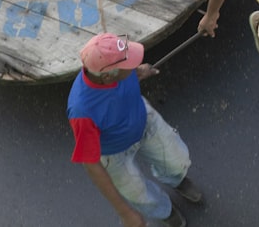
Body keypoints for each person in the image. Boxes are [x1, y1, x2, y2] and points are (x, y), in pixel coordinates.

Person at [67, 33, 203, 227]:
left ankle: (176, 179)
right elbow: (91, 164)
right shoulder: (82, 111)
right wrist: (125, 213)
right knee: (137, 193)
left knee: (176, 160)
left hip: (142, 119)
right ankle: (165, 212)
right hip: (113, 154)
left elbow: (129, 73)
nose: (133, 63)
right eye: (128, 62)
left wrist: (139, 71)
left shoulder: (112, 69)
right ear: (108, 76)